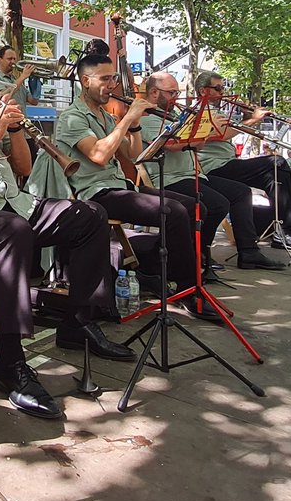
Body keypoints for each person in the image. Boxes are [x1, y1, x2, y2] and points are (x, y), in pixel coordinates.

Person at [0, 31, 135, 420]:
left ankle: (78, 320)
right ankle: (10, 363)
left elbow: (22, 169)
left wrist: (16, 130)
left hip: (12, 204)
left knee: (88, 214)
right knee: (12, 230)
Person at [55, 44, 218, 321]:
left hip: (120, 186)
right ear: (86, 81)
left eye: (113, 79)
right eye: (104, 79)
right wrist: (127, 117)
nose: (111, 85)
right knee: (173, 212)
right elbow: (98, 154)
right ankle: (189, 290)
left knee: (193, 206)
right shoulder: (72, 117)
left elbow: (132, 155)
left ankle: (152, 268)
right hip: (94, 192)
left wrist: (134, 125)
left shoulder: (105, 116)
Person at [139, 72, 286, 272]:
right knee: (217, 205)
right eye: (172, 92)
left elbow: (196, 146)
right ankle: (198, 254)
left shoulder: (174, 116)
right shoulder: (147, 119)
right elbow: (173, 145)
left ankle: (248, 251)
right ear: (154, 93)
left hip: (193, 174)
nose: (176, 97)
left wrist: (202, 132)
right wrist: (206, 130)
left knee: (241, 192)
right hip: (170, 178)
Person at [191, 72, 291, 255]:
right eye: (218, 88)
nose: (222, 92)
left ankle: (287, 225)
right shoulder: (199, 112)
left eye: (223, 88)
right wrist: (252, 119)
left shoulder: (216, 111)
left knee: (276, 174)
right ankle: (287, 227)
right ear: (203, 91)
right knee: (276, 162)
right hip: (213, 168)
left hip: (228, 163)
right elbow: (221, 134)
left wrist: (247, 115)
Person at [0, 45, 37, 111]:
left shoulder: (16, 80)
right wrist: (23, 77)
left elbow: (34, 101)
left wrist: (35, 81)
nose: (13, 62)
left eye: (14, 59)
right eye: (9, 59)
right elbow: (3, 97)